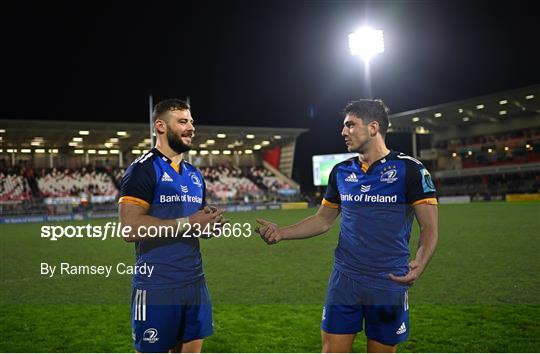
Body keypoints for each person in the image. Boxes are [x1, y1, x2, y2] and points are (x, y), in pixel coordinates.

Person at [256, 99, 438, 353]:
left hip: (388, 281)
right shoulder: (341, 172)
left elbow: (429, 228)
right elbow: (322, 220)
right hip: (344, 279)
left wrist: (420, 261)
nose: (343, 132)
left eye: (350, 125)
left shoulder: (411, 170)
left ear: (373, 128)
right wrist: (282, 233)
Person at [119, 98, 225, 353]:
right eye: (182, 121)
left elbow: (194, 220)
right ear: (160, 126)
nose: (191, 127)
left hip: (195, 283)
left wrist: (207, 225)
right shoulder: (142, 169)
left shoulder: (194, 174)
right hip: (157, 287)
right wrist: (189, 223)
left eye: (191, 121)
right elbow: (129, 228)